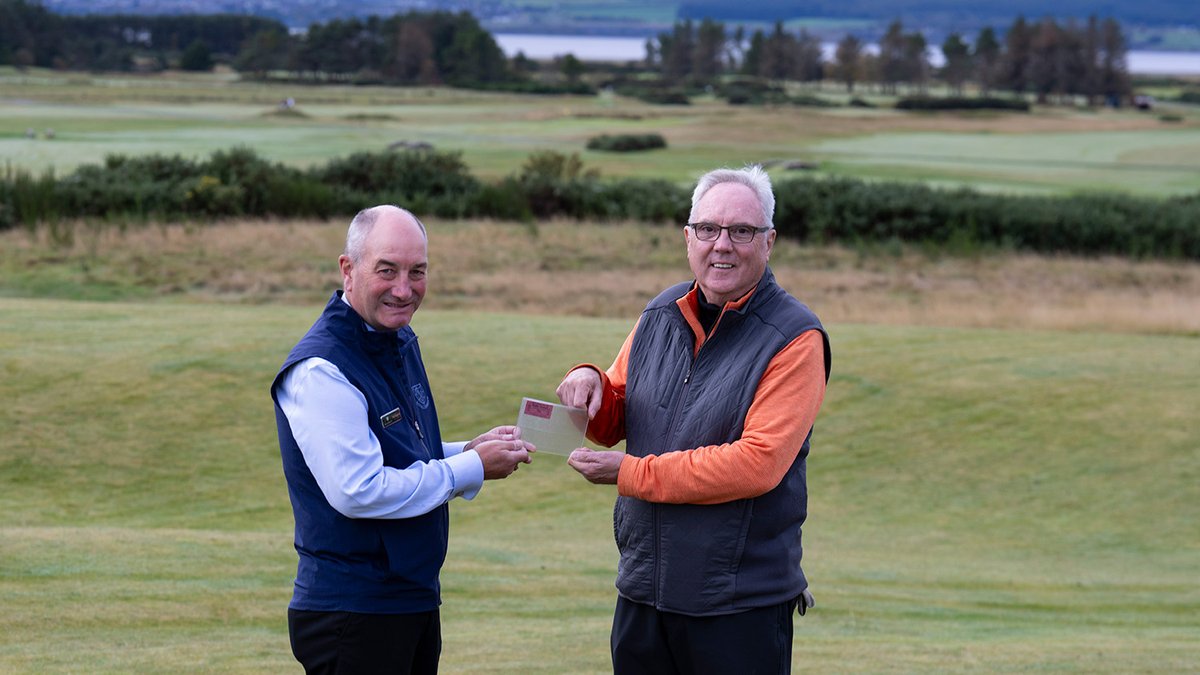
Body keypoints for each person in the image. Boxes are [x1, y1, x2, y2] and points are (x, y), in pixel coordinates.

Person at [556, 166, 831, 674]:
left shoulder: (796, 337)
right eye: (708, 229)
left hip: (737, 606)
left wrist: (628, 473)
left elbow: (757, 464)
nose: (722, 244)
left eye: (741, 231)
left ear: (769, 242)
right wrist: (588, 381)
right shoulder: (661, 312)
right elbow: (616, 410)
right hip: (644, 592)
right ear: (689, 237)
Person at [271, 205, 533, 674]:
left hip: (406, 601)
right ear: (348, 270)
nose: (403, 289)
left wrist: (468, 450)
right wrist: (470, 468)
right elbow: (358, 489)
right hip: (352, 612)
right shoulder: (323, 369)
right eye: (386, 270)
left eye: (417, 272)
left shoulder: (395, 337)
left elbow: (401, 452)